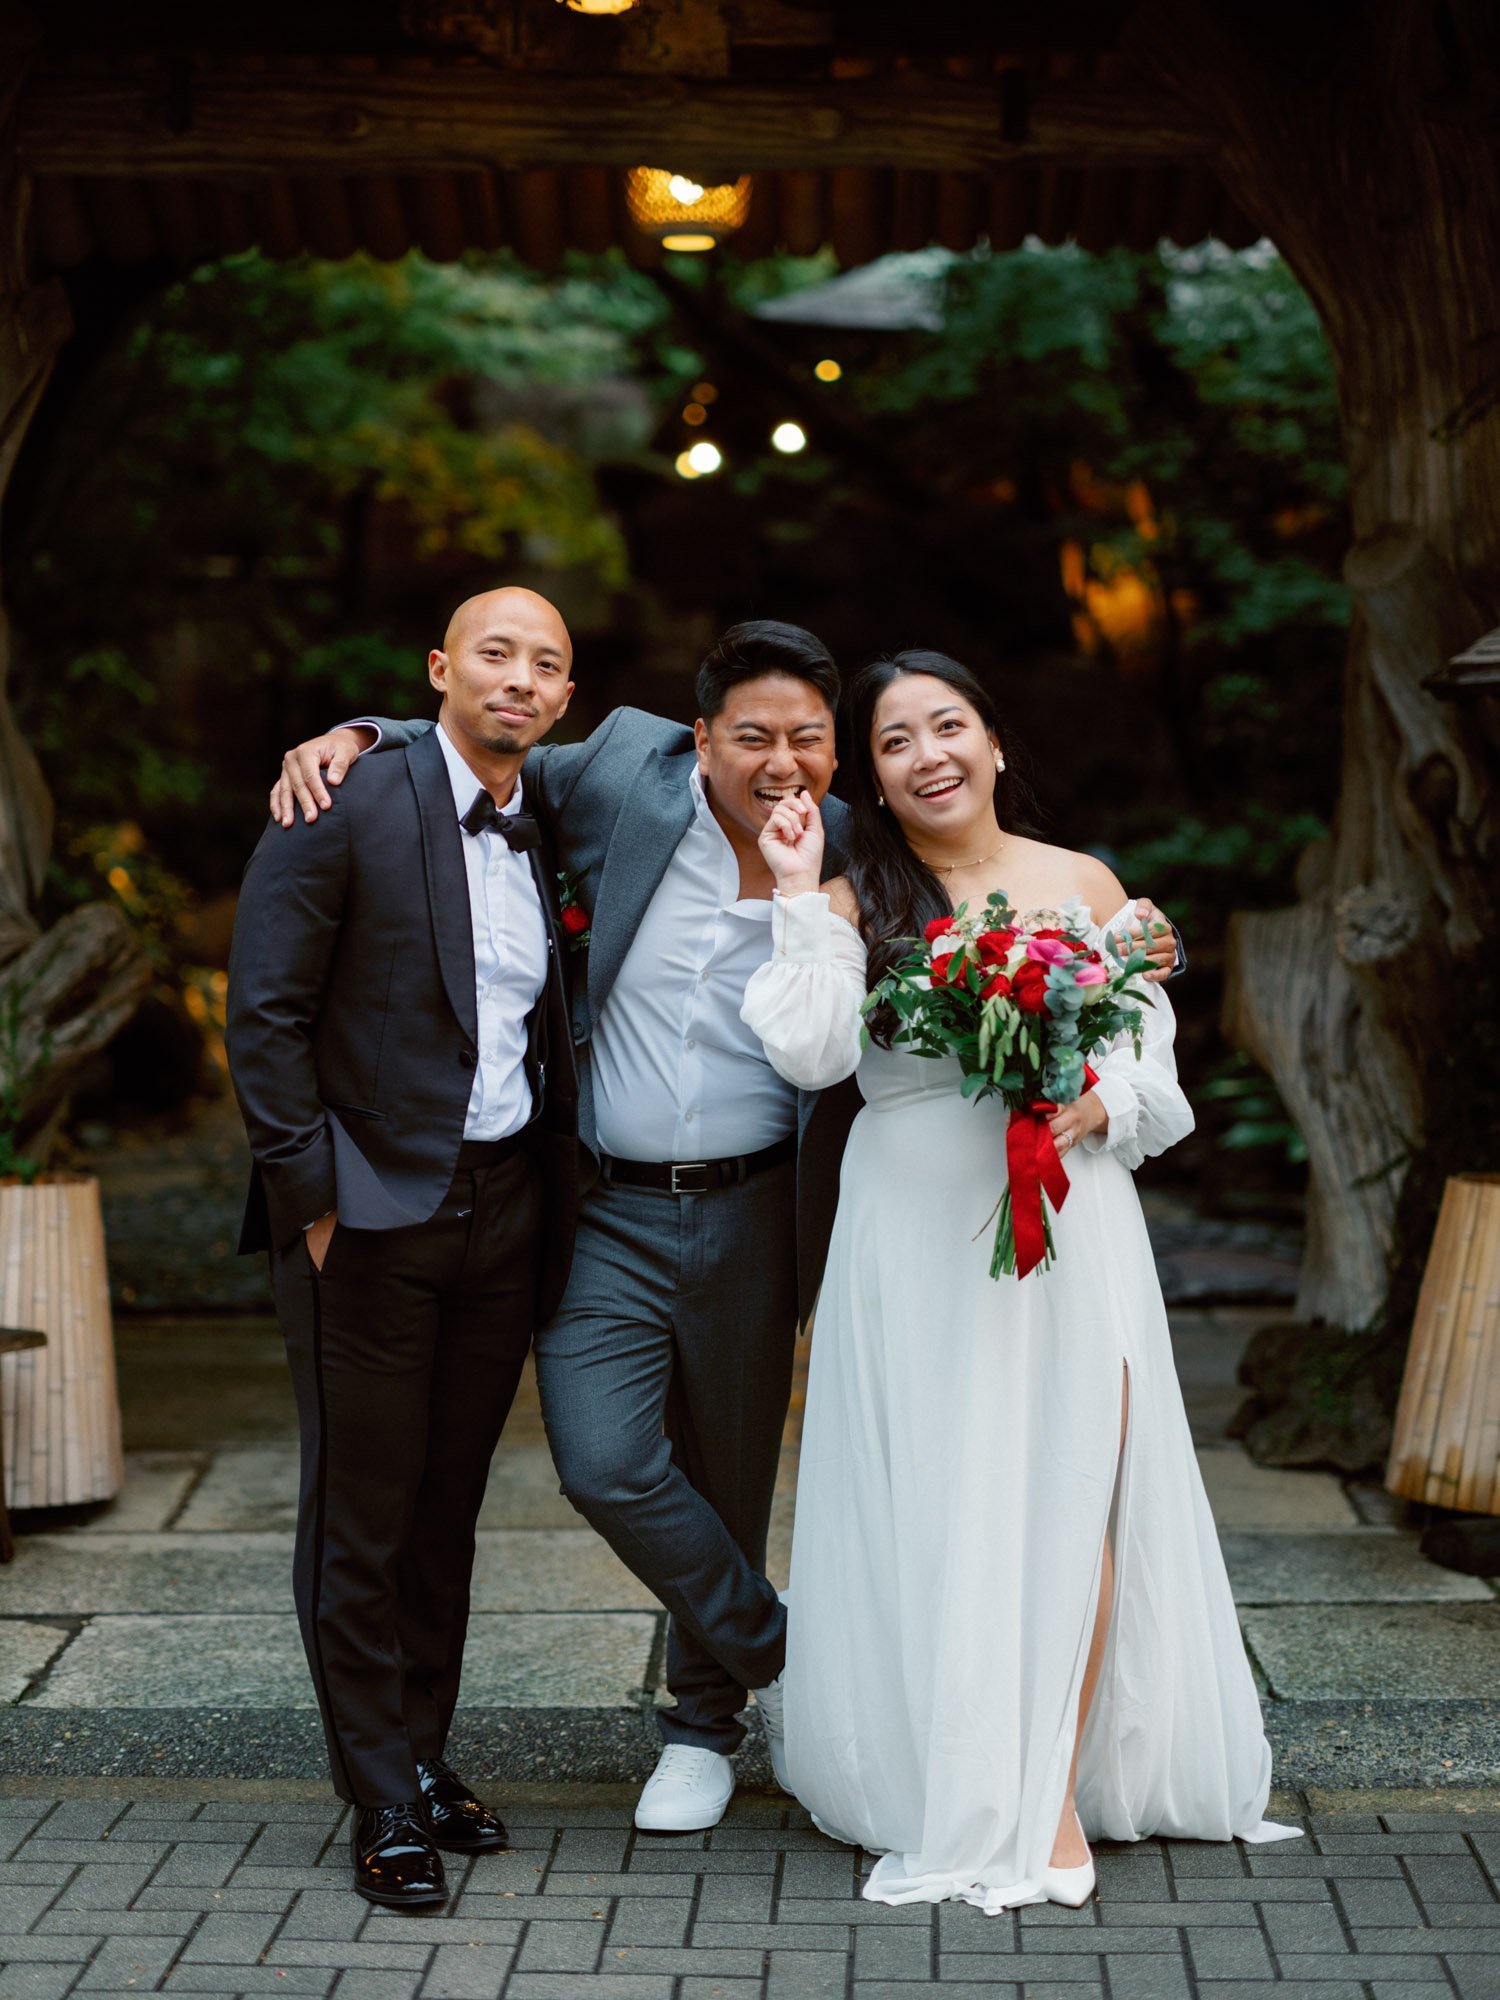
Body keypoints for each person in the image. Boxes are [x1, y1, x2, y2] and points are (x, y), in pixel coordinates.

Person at [269, 626, 1182, 1836]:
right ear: (702, 737)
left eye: (811, 738)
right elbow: (488, 749)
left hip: (765, 1203)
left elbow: (999, 910)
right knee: (601, 1458)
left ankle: (703, 1726)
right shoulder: (622, 773)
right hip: (608, 1200)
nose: (784, 761)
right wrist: (362, 734)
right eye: (755, 735)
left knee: (732, 1469)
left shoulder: (864, 853)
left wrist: (1125, 947)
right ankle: (778, 1646)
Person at [740, 648, 1296, 1914]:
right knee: (942, 1491)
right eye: (893, 740)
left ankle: (1046, 1787)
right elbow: (815, 1054)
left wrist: (1087, 1104)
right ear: (869, 778)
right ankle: (969, 1766)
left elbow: (1153, 1075)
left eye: (948, 724)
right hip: (913, 1214)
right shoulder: (849, 897)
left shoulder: (1085, 883)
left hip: (1066, 1204)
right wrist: (786, 892)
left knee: (1079, 1485)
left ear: (992, 741)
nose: (927, 752)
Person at [226, 587, 580, 1910]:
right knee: (361, 1518)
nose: (521, 679)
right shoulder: (348, 796)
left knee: (446, 1514)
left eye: (547, 664)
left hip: (505, 1212)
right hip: (362, 1220)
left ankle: (421, 1756)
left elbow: (687, 744)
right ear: (441, 667)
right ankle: (378, 1796)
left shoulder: (556, 812)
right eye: (496, 653)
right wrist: (314, 1199)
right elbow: (261, 1014)